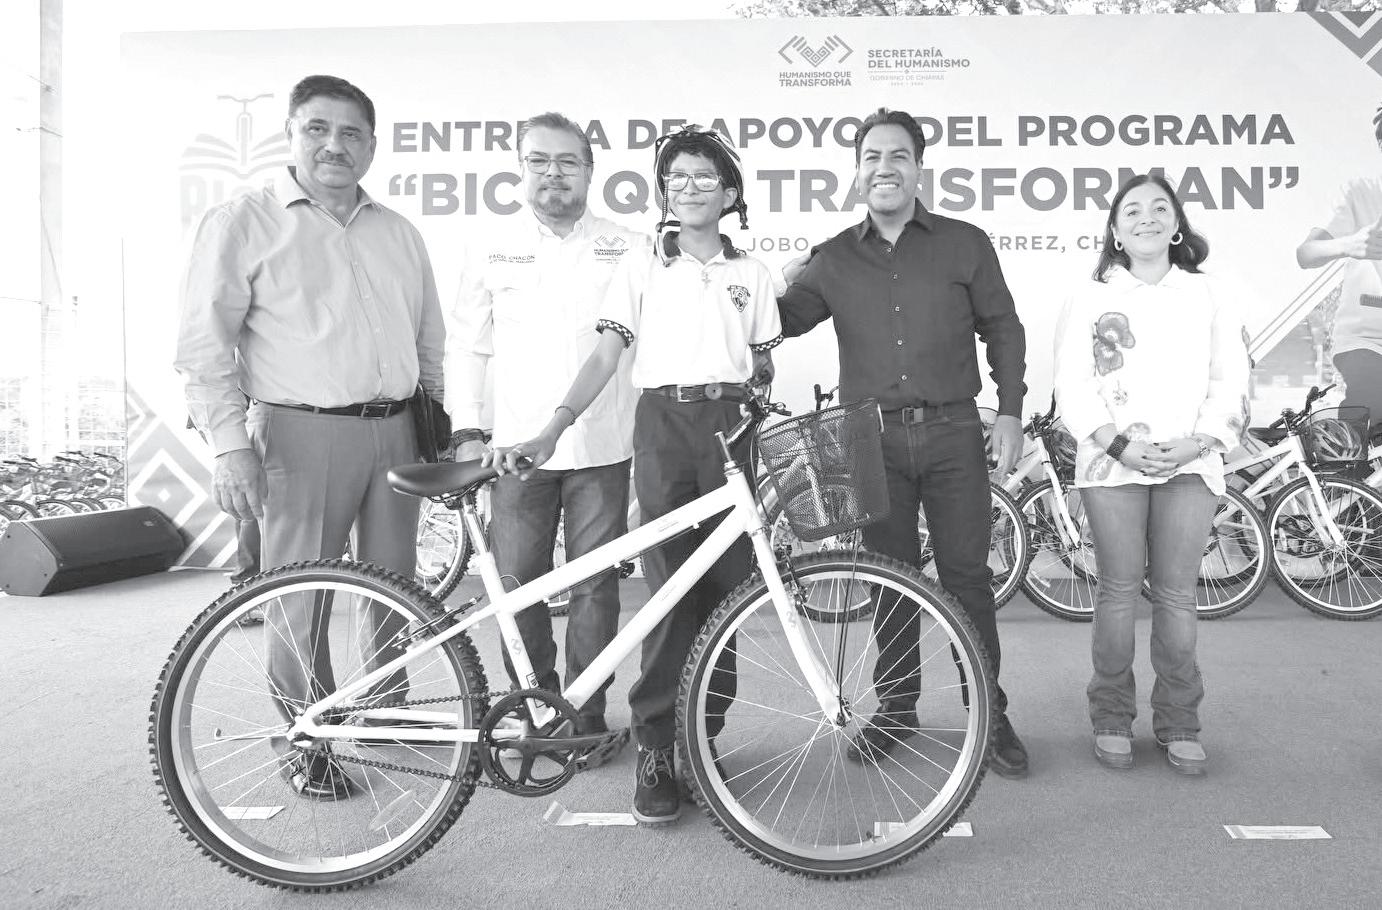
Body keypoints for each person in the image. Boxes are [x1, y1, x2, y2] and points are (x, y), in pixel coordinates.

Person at [497, 125, 780, 825]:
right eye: (676, 178)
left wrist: (753, 409)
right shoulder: (641, 265)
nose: (689, 188)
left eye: (704, 177)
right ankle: (657, 746)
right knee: (668, 592)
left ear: (730, 193)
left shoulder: (751, 273)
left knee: (727, 593)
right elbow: (604, 358)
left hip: (730, 432)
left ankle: (702, 739)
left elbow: (762, 361)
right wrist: (553, 428)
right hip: (662, 430)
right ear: (663, 193)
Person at [175, 74, 446, 799]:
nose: (335, 145)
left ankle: (383, 710)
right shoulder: (244, 223)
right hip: (300, 433)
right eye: (318, 129)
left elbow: (428, 340)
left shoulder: (398, 231)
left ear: (372, 145)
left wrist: (436, 425)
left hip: (397, 431)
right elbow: (203, 348)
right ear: (290, 135)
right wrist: (230, 447)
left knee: (393, 588)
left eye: (352, 133)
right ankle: (308, 738)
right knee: (302, 595)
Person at [776, 107, 1030, 779]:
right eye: (871, 157)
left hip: (953, 432)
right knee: (890, 582)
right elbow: (778, 323)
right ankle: (895, 710)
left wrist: (1009, 412)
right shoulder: (833, 257)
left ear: (919, 168)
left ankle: (989, 711)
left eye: (898, 156)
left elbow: (1003, 328)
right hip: (871, 439)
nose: (883, 167)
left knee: (967, 579)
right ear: (857, 172)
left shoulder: (964, 243)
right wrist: (774, 278)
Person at [445, 111, 645, 767]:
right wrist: (467, 430)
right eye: (539, 161)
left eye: (567, 162)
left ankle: (584, 714)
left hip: (602, 447)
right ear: (521, 169)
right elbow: (467, 346)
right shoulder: (489, 245)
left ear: (590, 171)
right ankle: (534, 709)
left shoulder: (627, 243)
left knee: (595, 589)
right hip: (514, 451)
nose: (553, 173)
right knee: (519, 584)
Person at [1053, 173, 1250, 776]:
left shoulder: (1209, 293)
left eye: (1160, 208)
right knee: (1117, 593)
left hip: (1191, 461)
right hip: (1112, 462)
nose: (1147, 217)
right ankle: (1112, 717)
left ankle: (1180, 722)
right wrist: (1119, 445)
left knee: (1176, 596)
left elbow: (1232, 378)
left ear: (1177, 225)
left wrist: (1197, 442)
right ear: (1115, 231)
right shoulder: (1089, 296)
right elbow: (1071, 383)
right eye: (1132, 210)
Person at [1295, 103, 1382, 424]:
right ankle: (1340, 447)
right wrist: (1349, 244)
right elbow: (1306, 253)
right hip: (1368, 341)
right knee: (1372, 402)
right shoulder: (1362, 192)